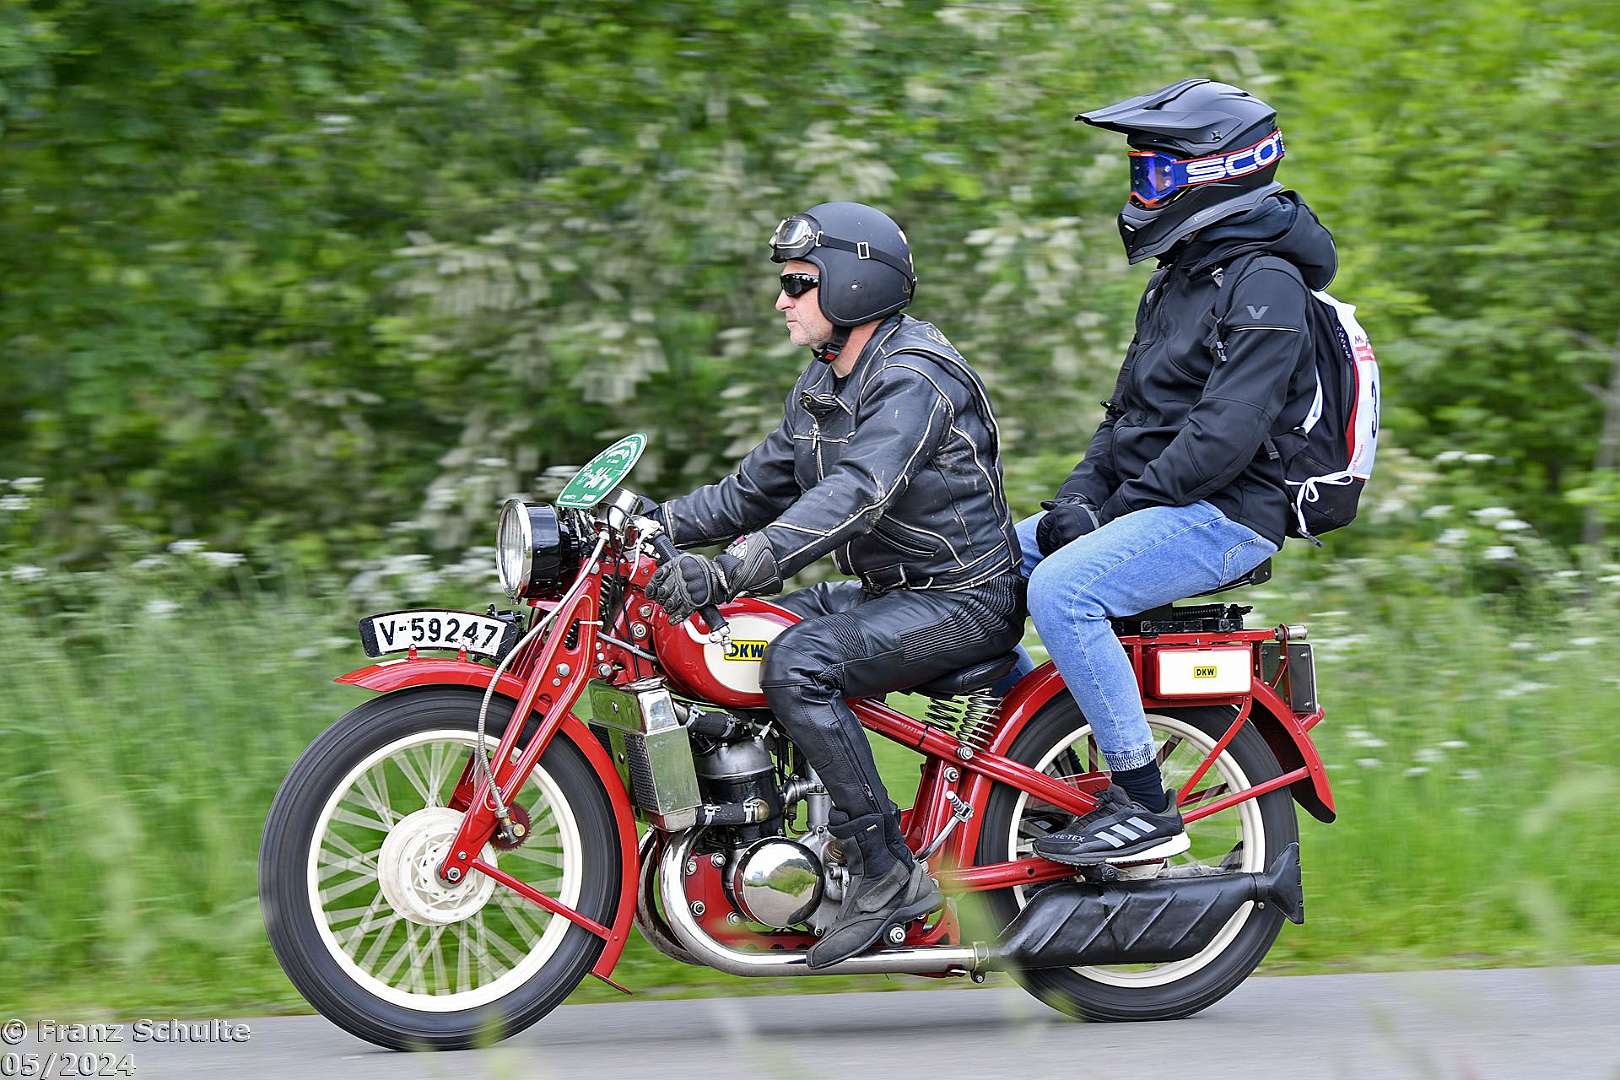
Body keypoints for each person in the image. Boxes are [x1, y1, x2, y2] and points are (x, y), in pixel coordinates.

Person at [646, 201, 1025, 966]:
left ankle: (885, 870)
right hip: (892, 593)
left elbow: (857, 494)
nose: (781, 300)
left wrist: (728, 568)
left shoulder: (914, 378)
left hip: (961, 599)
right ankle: (790, 830)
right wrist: (648, 527)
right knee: (737, 638)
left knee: (799, 663)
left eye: (798, 282)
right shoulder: (826, 380)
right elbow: (751, 491)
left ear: (853, 283)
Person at [1020, 79, 1338, 865]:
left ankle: (1143, 803)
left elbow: (1223, 437)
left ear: (1218, 174)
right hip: (1156, 501)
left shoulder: (1266, 284)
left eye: (1155, 175)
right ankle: (1038, 774)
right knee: (976, 568)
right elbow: (1126, 418)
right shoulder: (1180, 277)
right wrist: (1077, 498)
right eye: (1138, 174)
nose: (1140, 193)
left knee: (1064, 591)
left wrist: (1112, 514)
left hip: (1226, 515)